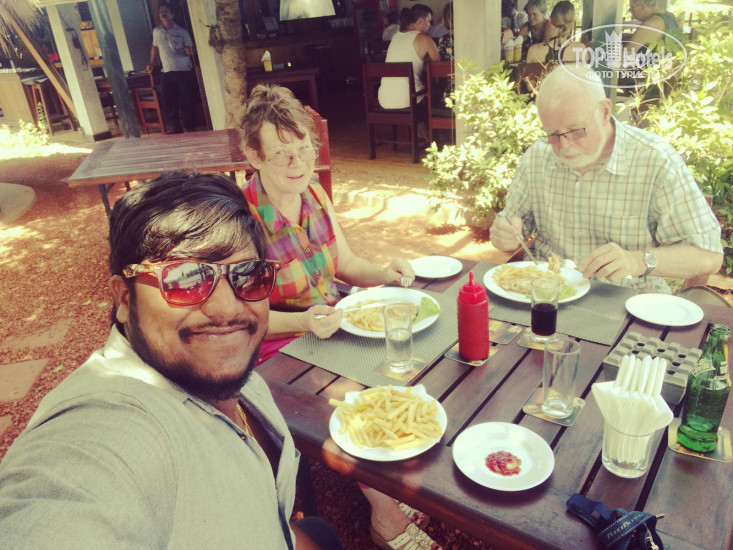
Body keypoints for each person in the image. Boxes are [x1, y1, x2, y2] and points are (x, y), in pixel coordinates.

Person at [0, 173, 342, 549]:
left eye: (247, 274)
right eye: (184, 279)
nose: (226, 309)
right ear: (125, 299)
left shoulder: (232, 373)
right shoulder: (106, 428)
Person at [241, 84, 440, 550]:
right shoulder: (241, 219)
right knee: (358, 398)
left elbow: (345, 264)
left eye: (304, 148)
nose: (298, 163)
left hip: (333, 321)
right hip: (279, 341)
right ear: (254, 156)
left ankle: (392, 474)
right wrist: (304, 322)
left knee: (410, 356)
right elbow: (242, 316)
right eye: (281, 154)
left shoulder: (314, 194)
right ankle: (385, 515)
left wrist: (384, 274)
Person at [489, 65, 723, 293]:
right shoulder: (538, 156)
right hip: (548, 296)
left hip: (627, 298)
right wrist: (505, 236)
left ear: (603, 112)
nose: (564, 146)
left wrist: (637, 261)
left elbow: (709, 256)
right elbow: (511, 228)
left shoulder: (655, 159)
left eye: (575, 131)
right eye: (552, 134)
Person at [378, 4, 440, 142]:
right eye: (429, 21)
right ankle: (435, 139)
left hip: (384, 99)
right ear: (420, 21)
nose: (431, 26)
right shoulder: (424, 39)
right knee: (434, 95)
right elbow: (438, 67)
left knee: (414, 92)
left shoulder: (396, 37)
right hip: (409, 101)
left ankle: (423, 135)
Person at [146, 2, 197, 134]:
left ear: (172, 14)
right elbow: (155, 47)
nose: (163, 13)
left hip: (183, 70)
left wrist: (190, 51)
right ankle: (174, 127)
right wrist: (152, 62)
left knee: (187, 100)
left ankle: (189, 126)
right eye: (161, 12)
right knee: (168, 100)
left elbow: (192, 49)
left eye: (166, 11)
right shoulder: (157, 31)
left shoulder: (182, 31)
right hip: (167, 70)